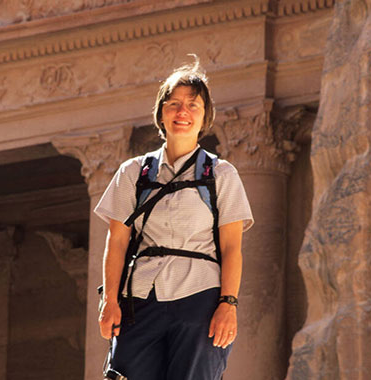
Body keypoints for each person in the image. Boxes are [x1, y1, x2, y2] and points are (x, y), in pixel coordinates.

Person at [94, 56, 254, 380]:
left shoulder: (221, 175)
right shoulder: (132, 173)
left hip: (200, 299)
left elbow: (232, 247)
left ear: (204, 116)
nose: (183, 113)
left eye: (193, 106)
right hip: (139, 301)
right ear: (161, 113)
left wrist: (229, 304)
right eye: (174, 104)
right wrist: (109, 301)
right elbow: (117, 241)